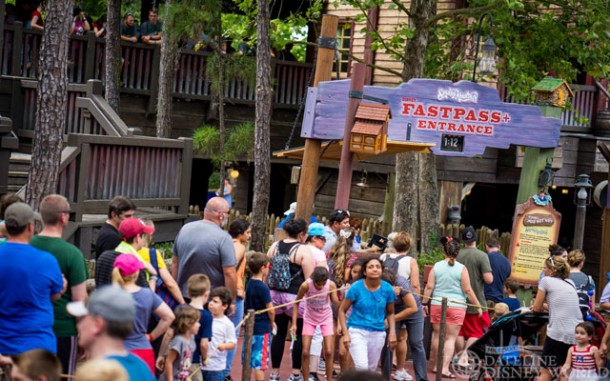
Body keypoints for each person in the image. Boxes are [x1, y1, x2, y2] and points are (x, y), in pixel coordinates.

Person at [30, 194, 88, 375]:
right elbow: (79, 300)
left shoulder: (27, 246)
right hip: (62, 330)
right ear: (63, 217)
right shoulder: (72, 254)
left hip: (29, 328)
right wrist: (83, 334)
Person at [0, 202, 65, 355]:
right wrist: (62, 287)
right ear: (30, 227)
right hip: (37, 347)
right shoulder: (46, 261)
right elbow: (55, 294)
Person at [422, 236, 482, 378]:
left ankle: (437, 365)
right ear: (458, 252)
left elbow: (429, 286)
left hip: (437, 303)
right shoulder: (461, 269)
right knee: (450, 338)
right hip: (457, 305)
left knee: (437, 335)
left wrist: (424, 303)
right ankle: (444, 368)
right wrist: (478, 305)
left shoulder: (436, 266)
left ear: (444, 250)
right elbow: (467, 290)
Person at [67, 285, 156, 380]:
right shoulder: (141, 367)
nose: (78, 325)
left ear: (97, 324)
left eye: (82, 319)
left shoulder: (97, 374)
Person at [267, 218, 313, 381]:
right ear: (301, 234)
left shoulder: (274, 246)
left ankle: (275, 372)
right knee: (298, 334)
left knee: (278, 334)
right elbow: (309, 279)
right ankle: (294, 373)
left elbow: (268, 269)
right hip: (295, 297)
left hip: (274, 294)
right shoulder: (303, 250)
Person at [112, 253, 175, 374]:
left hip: (115, 350)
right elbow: (169, 317)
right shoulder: (146, 294)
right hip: (142, 349)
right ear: (136, 273)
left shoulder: (107, 295)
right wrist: (151, 336)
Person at [338, 257, 397, 371]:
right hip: (357, 330)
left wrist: (393, 333)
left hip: (378, 332)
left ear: (382, 270)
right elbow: (341, 310)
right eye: (371, 267)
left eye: (378, 267)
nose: (374, 269)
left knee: (371, 369)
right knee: (362, 367)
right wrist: (346, 333)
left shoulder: (388, 289)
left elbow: (390, 313)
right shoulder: (355, 287)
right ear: (364, 272)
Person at [173, 197, 236, 303]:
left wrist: (175, 290)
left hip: (183, 296)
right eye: (227, 212)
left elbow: (175, 262)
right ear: (221, 215)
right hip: (211, 300)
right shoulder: (224, 238)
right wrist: (231, 301)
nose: (228, 216)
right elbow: (229, 273)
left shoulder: (185, 229)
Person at [532, 256, 583, 381]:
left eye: (544, 267)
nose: (543, 270)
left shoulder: (546, 281)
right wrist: (546, 306)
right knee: (565, 372)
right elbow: (561, 305)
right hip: (575, 333)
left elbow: (536, 308)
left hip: (558, 332)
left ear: (552, 269)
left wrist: (537, 306)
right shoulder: (570, 282)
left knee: (546, 372)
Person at [293, 267, 340, 381]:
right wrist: (294, 324)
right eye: (318, 284)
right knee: (305, 352)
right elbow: (296, 303)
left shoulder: (331, 285)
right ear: (313, 280)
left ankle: (329, 379)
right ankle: (305, 378)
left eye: (323, 284)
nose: (320, 287)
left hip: (326, 318)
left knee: (329, 351)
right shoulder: (306, 285)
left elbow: (337, 305)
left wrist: (339, 323)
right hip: (310, 318)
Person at [455, 226, 493, 354]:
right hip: (476, 300)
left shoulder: (456, 254)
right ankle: (465, 356)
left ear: (463, 240)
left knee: (458, 331)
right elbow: (489, 279)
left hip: (457, 300)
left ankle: (458, 355)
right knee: (477, 331)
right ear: (476, 239)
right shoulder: (482, 256)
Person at [379, 269, 420, 381]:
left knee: (415, 341)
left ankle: (420, 377)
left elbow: (413, 308)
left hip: (410, 308)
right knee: (388, 340)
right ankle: (385, 377)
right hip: (392, 309)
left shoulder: (401, 283)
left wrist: (390, 320)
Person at [95, 217, 157, 289]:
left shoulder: (104, 258)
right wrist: (153, 277)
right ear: (137, 238)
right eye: (144, 235)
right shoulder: (135, 265)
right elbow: (146, 298)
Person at [223, 218, 250, 377]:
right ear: (240, 234)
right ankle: (225, 372)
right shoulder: (238, 246)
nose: (249, 236)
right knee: (232, 334)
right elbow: (230, 268)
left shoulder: (225, 243)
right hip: (235, 291)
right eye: (248, 232)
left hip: (228, 290)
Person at [244, 252, 276, 381]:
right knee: (260, 362)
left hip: (250, 327)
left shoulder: (249, 283)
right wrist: (272, 322)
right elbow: (271, 310)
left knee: (249, 358)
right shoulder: (263, 288)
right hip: (262, 328)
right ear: (263, 267)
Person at [139, 219, 186, 305]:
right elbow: (169, 283)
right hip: (148, 298)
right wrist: (183, 303)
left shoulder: (124, 252)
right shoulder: (152, 254)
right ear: (149, 235)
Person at [202, 287, 237, 381]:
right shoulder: (204, 318)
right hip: (201, 365)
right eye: (211, 300)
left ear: (224, 306)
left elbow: (232, 343)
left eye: (215, 301)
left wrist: (225, 346)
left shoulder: (227, 324)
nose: (211, 303)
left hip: (216, 368)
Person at [160, 305, 200, 381]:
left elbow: (186, 362)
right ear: (188, 324)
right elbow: (169, 361)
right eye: (197, 322)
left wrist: (186, 377)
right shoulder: (179, 341)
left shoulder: (191, 339)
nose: (199, 325)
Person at [338, 260, 363, 373]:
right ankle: (344, 374)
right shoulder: (346, 286)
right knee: (342, 352)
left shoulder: (366, 286)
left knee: (353, 353)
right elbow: (341, 308)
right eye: (354, 271)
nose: (356, 274)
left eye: (359, 272)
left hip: (360, 323)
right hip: (346, 322)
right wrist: (339, 324)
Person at [381, 231, 420, 295]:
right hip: (401, 296)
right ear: (408, 247)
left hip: (383, 294)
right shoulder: (411, 261)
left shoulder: (383, 256)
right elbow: (415, 285)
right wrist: (417, 301)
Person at [483, 237, 511, 304]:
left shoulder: (484, 258)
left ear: (486, 246)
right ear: (499, 247)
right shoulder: (507, 262)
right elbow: (507, 277)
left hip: (484, 298)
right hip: (499, 300)